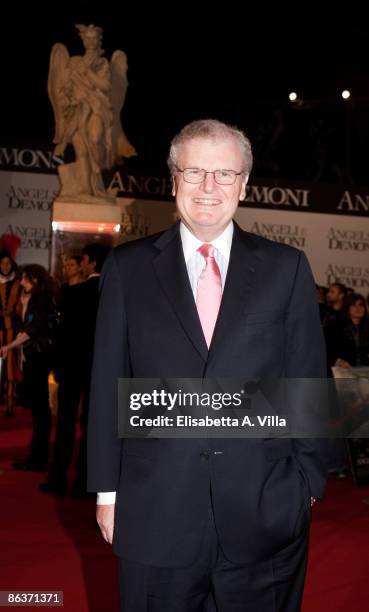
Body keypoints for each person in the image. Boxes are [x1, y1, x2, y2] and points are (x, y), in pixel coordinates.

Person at [87, 119, 327, 611]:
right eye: (195, 172)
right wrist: (107, 492)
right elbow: (107, 380)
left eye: (224, 174)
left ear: (244, 184)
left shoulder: (288, 267)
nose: (209, 188)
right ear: (173, 179)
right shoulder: (127, 268)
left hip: (266, 516)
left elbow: (309, 380)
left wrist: (307, 485)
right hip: (155, 512)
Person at [40, 244, 109, 496]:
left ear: (89, 263)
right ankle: (86, 484)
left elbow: (64, 337)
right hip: (101, 371)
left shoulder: (75, 293)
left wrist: (58, 368)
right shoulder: (114, 294)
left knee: (66, 424)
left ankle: (57, 479)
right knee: (95, 427)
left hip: (72, 366)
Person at [48, 24, 136, 200]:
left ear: (98, 40)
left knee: (95, 138)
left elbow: (106, 86)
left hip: (97, 109)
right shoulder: (74, 63)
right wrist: (68, 97)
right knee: (81, 151)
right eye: (87, 38)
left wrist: (87, 73)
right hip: (77, 112)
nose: (90, 41)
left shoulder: (102, 63)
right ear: (83, 40)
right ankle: (86, 191)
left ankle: (100, 174)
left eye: (94, 38)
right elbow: (64, 89)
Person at [0, 265, 58, 471]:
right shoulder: (34, 298)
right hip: (34, 356)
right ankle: (37, 456)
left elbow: (31, 331)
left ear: (34, 280)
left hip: (39, 357)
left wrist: (8, 346)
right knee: (38, 409)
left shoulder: (41, 299)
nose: (21, 283)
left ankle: (38, 458)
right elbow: (26, 329)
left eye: (25, 279)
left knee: (40, 410)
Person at [0, 251, 21, 416]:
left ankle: (10, 403)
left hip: (12, 330)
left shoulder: (19, 283)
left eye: (8, 263)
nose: (5, 266)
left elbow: (21, 309)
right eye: (2, 263)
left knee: (10, 366)